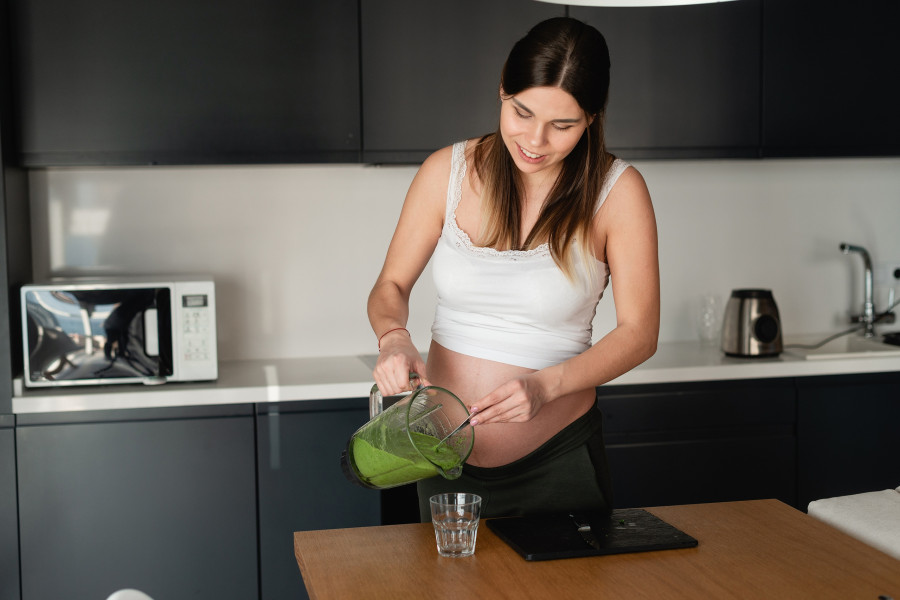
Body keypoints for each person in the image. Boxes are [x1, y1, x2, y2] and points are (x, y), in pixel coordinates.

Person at [367, 16, 659, 520]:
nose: (536, 140)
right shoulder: (446, 172)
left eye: (562, 125)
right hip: (439, 457)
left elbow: (640, 334)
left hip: (557, 463)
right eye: (522, 112)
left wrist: (546, 386)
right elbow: (390, 284)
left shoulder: (618, 192)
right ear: (503, 87)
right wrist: (393, 337)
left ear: (591, 118)